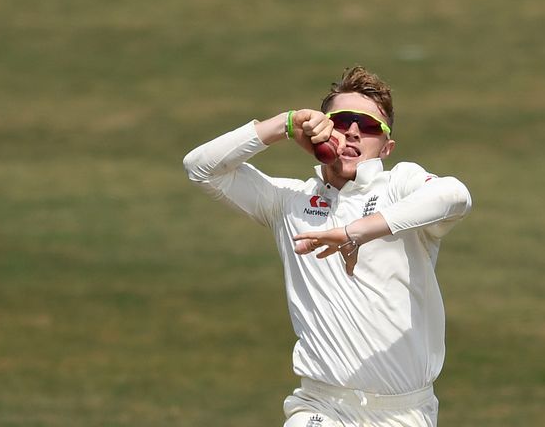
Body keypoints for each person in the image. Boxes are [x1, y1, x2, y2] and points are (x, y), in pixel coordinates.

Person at [183, 66, 472, 427]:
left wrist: (357, 231)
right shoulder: (289, 200)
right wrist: (286, 125)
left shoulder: (400, 186)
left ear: (386, 146)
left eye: (368, 127)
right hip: (322, 406)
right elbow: (201, 168)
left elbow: (455, 195)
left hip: (404, 412)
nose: (353, 131)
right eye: (343, 120)